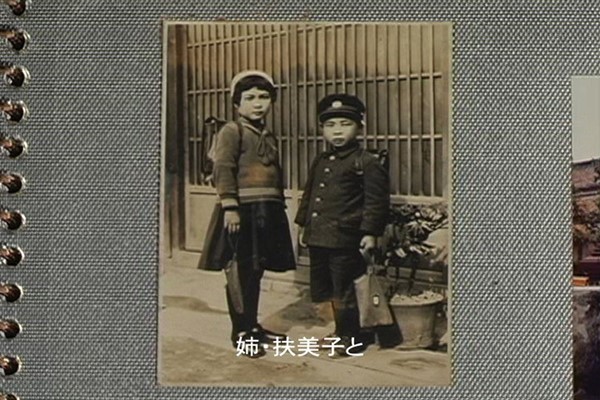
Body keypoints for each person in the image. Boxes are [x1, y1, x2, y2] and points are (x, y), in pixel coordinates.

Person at [198, 70, 296, 358]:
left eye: (264, 97)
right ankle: (241, 333)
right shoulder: (232, 131)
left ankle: (252, 326)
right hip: (242, 211)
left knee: (257, 270)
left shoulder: (268, 135)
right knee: (240, 272)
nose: (258, 103)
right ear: (236, 103)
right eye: (250, 98)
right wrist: (230, 206)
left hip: (267, 210)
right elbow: (223, 168)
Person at [294, 93, 390, 357]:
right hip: (319, 236)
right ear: (322, 129)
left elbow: (376, 201)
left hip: (345, 239)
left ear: (360, 127)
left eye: (345, 124)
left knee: (345, 289)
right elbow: (310, 195)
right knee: (327, 289)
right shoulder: (322, 160)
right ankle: (340, 331)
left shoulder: (366, 161)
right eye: (330, 125)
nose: (337, 131)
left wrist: (370, 232)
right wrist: (303, 225)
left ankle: (351, 338)